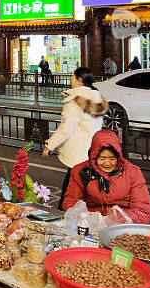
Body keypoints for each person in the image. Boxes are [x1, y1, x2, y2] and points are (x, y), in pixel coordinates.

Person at [43, 68, 108, 210]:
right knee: (84, 190)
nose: (71, 80)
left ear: (80, 80)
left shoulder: (76, 101)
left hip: (77, 154)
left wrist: (49, 145)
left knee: (70, 192)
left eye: (73, 77)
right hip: (91, 151)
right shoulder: (96, 98)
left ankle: (63, 218)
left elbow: (66, 128)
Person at [62, 129, 150, 224]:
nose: (107, 163)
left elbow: (144, 211)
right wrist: (87, 216)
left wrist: (112, 220)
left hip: (122, 227)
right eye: (102, 158)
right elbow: (71, 201)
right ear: (94, 157)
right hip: (90, 223)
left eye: (112, 158)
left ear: (119, 157)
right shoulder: (80, 171)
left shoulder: (132, 172)